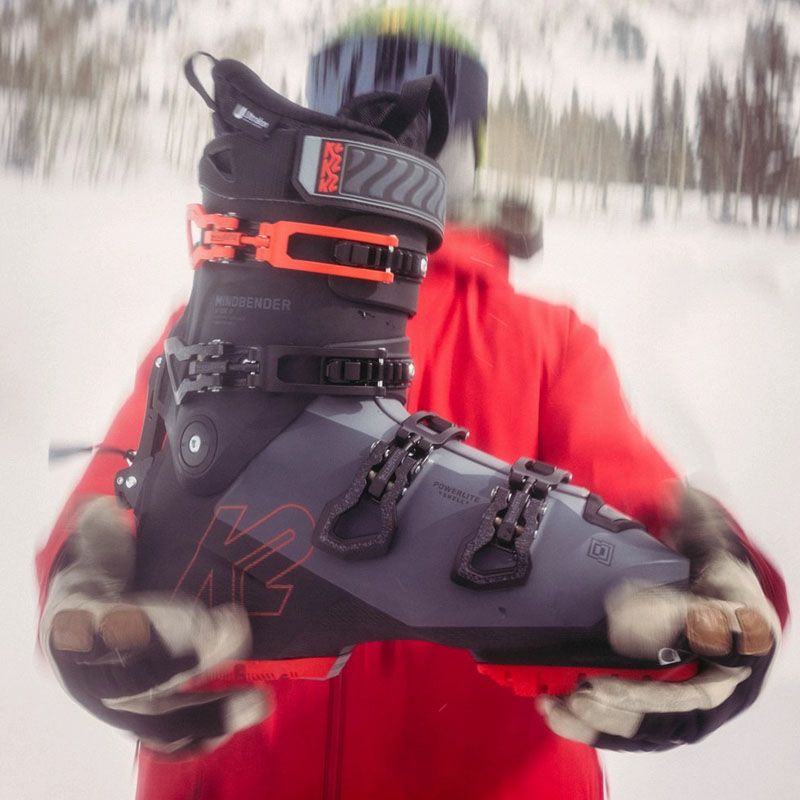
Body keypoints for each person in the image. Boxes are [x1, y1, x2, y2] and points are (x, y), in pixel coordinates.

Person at [37, 9, 787, 800]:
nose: (385, 113)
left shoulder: (545, 338)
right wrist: (83, 580)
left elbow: (636, 510)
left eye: (426, 99)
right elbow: (137, 501)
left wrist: (719, 581)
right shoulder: (216, 334)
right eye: (353, 86)